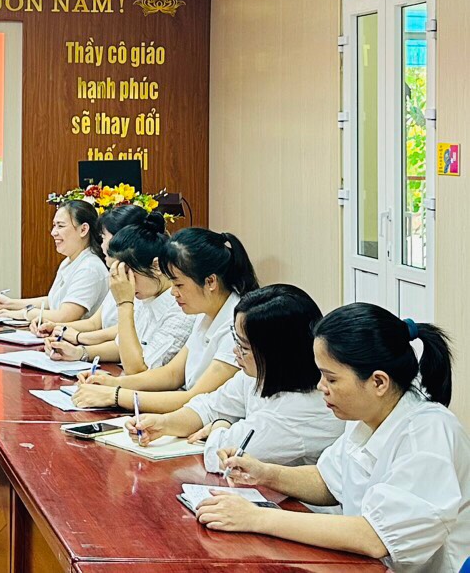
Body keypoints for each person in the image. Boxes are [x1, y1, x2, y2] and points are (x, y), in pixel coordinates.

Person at [196, 303, 470, 572]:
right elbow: (328, 481)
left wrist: (255, 518)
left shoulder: (428, 435)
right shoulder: (366, 416)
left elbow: (374, 537)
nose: (321, 387)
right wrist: (265, 473)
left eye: (331, 379)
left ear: (378, 382)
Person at [124, 284, 343, 472]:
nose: (235, 351)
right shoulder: (258, 374)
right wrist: (164, 424)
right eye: (236, 340)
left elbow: (221, 457)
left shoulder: (300, 410)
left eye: (244, 346)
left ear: (276, 353)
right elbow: (209, 405)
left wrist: (221, 424)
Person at [71, 227, 257, 412]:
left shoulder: (236, 324)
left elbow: (195, 398)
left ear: (210, 282)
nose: (173, 292)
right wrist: (112, 382)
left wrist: (115, 395)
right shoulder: (206, 312)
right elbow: (172, 374)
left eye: (179, 284)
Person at [43, 217, 193, 372]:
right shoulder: (146, 294)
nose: (122, 281)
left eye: (127, 273)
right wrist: (80, 353)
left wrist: (124, 304)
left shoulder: (180, 309)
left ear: (156, 266)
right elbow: (120, 345)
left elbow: (137, 369)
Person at [0, 201, 108, 325]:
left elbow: (64, 316)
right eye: (54, 225)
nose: (53, 232)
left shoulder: (90, 268)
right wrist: (9, 304)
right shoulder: (70, 261)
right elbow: (53, 302)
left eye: (60, 226)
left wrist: (22, 314)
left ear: (83, 229)